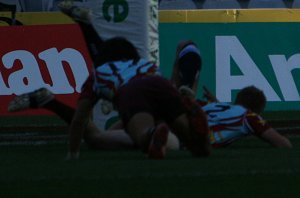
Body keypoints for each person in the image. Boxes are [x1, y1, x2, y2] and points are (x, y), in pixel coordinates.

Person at [8, 2, 211, 160]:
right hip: (160, 84)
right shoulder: (140, 62)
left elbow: (80, 119)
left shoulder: (99, 74)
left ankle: (151, 134)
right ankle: (196, 138)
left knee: (141, 136)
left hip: (134, 93)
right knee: (192, 145)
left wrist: (73, 153)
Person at [180, 85, 292, 148]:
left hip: (178, 129)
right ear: (257, 111)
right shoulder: (249, 116)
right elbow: (283, 144)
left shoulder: (214, 105)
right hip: (192, 143)